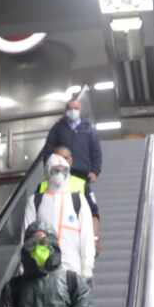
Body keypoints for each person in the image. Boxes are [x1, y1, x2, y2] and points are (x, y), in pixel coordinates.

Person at [24, 147, 97, 279]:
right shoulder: (35, 201)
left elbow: (87, 237)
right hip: (43, 273)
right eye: (55, 170)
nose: (59, 174)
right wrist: (24, 267)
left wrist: (87, 269)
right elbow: (26, 237)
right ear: (48, 171)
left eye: (63, 170)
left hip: (73, 271)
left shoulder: (78, 200)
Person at [39, 95, 103, 237]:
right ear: (65, 110)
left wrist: (95, 171)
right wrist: (48, 169)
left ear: (80, 110)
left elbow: (96, 151)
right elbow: (48, 150)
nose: (73, 111)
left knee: (86, 206)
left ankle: (88, 234)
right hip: (60, 174)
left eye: (76, 108)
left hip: (82, 174)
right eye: (70, 108)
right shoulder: (57, 128)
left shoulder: (88, 129)